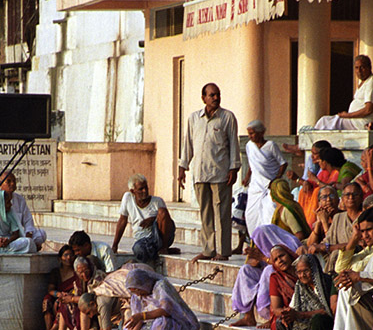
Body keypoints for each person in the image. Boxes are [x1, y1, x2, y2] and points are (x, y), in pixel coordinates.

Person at [178, 83, 241, 262]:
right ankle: (208, 250)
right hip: (199, 173)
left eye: (217, 95)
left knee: (221, 213)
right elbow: (188, 144)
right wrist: (182, 167)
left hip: (220, 173)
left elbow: (233, 145)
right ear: (203, 98)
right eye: (212, 95)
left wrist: (233, 168)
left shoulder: (227, 117)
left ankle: (223, 251)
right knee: (205, 213)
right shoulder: (193, 118)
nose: (215, 98)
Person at [74, 262, 156, 330]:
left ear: (92, 304)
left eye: (89, 312)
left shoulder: (102, 302)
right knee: (127, 323)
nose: (90, 316)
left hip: (141, 276)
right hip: (128, 291)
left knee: (130, 323)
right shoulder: (97, 297)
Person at [275, 254, 341, 330]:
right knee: (280, 322)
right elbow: (293, 307)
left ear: (314, 269)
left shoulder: (326, 282)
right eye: (299, 272)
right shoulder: (300, 285)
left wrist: (299, 315)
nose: (302, 275)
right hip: (306, 322)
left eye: (306, 271)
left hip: (329, 327)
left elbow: (327, 312)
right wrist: (287, 314)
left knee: (317, 320)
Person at [230, 224, 302, 327]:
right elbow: (252, 262)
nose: (259, 243)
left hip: (288, 277)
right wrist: (255, 260)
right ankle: (248, 317)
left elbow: (290, 264)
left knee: (269, 271)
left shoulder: (290, 243)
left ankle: (272, 316)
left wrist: (265, 259)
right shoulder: (262, 247)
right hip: (268, 274)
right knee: (245, 270)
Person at [111, 173, 176, 263]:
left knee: (162, 212)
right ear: (133, 191)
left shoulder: (157, 201)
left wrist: (153, 219)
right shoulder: (127, 198)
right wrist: (115, 245)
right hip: (142, 240)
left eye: (146, 188)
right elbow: (122, 220)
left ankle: (163, 248)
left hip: (159, 237)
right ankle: (156, 251)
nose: (144, 191)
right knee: (138, 249)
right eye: (141, 189)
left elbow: (167, 221)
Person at [242, 119, 288, 235]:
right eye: (249, 134)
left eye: (252, 133)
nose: (250, 136)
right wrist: (247, 177)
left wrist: (275, 180)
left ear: (261, 133)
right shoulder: (249, 146)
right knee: (250, 214)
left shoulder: (270, 145)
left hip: (269, 186)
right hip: (255, 186)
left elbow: (283, 163)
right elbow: (252, 164)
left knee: (269, 214)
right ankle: (255, 241)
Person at [310, 55, 373, 130]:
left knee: (324, 121)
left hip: (360, 122)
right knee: (326, 121)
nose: (359, 71)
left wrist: (347, 115)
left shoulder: (372, 82)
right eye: (356, 68)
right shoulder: (364, 82)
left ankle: (314, 140)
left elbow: (368, 110)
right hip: (353, 120)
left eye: (362, 67)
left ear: (369, 67)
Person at [307, 183, 363, 273]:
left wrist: (328, 246)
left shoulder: (365, 217)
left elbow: (361, 244)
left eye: (355, 194)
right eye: (347, 195)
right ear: (343, 199)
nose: (351, 197)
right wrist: (319, 222)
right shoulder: (339, 217)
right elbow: (325, 242)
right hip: (336, 262)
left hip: (358, 259)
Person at [261, 244, 299, 330]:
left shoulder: (303, 270)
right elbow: (276, 308)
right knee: (280, 321)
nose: (280, 260)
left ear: (289, 254)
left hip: (306, 310)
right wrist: (286, 312)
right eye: (276, 260)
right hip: (287, 313)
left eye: (282, 256)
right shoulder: (275, 278)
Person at [38, 245, 78, 330]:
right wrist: (58, 294)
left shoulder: (76, 272)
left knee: (62, 303)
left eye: (71, 255)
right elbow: (50, 289)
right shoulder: (56, 272)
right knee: (47, 300)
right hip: (58, 295)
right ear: (60, 258)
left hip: (70, 297)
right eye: (66, 255)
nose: (68, 258)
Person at [0, 171, 47, 250]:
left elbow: (28, 221)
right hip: (1, 238)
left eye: (14, 181)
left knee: (41, 234)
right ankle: (29, 246)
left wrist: (29, 234)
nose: (12, 184)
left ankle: (25, 245)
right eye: (8, 181)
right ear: (0, 184)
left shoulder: (20, 199)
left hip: (18, 237)